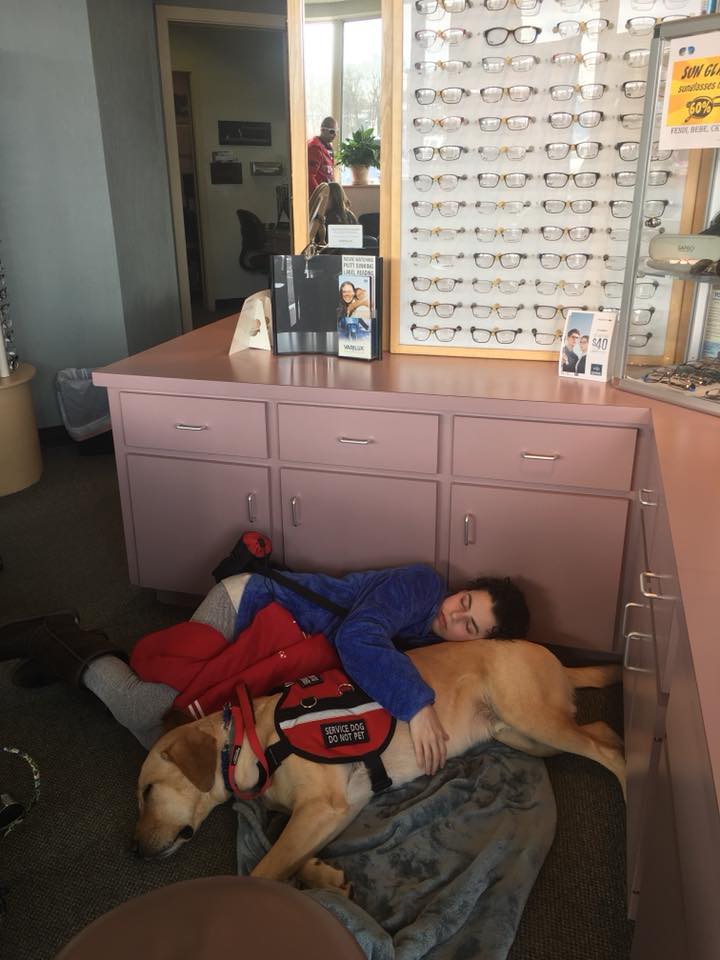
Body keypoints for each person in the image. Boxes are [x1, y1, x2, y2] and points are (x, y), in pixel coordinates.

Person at [0, 565, 529, 776]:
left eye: (469, 626)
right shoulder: (419, 584)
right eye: (464, 600)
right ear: (460, 586)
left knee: (163, 731)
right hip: (250, 606)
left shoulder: (424, 638)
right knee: (150, 714)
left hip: (279, 648)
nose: (453, 614)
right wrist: (418, 706)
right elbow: (357, 638)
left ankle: (76, 659)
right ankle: (55, 637)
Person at [307, 117, 337, 194]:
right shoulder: (314, 148)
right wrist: (319, 196)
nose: (335, 135)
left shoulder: (328, 147)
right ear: (322, 130)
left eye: (336, 131)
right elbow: (310, 176)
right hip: (319, 197)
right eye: (332, 131)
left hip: (327, 194)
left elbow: (328, 174)